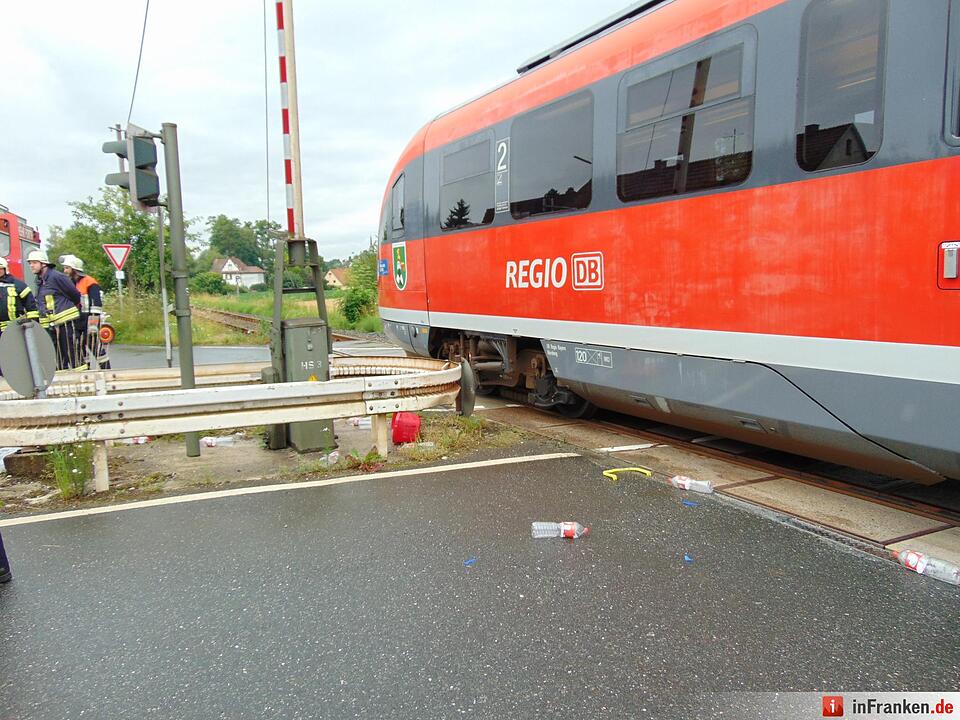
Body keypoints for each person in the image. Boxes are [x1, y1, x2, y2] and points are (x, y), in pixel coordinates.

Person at [27, 249, 82, 370]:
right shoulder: (40, 281)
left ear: (43, 264)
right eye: (30, 263)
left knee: (73, 355)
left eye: (34, 262)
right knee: (57, 358)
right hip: (51, 327)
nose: (31, 265)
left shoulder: (57, 277)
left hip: (65, 323)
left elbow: (75, 295)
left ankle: (83, 381)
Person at [60, 254, 110, 369]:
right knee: (78, 348)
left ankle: (107, 371)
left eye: (67, 268)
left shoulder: (89, 282)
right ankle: (85, 373)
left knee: (95, 347)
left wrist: (93, 325)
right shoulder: (72, 283)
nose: (65, 270)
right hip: (78, 320)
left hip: (89, 319)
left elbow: (96, 304)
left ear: (74, 269)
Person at [0, 256, 40, 345]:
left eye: (0, 269)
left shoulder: (18, 285)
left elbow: (31, 307)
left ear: (5, 269)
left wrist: (32, 325)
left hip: (14, 328)